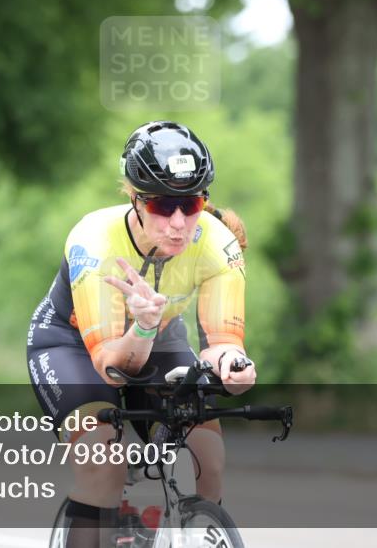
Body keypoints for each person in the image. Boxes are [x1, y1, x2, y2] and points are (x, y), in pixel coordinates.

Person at [26, 120, 256, 547]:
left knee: (209, 460)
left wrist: (233, 366)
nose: (177, 222)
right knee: (104, 466)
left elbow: (222, 342)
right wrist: (144, 324)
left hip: (161, 339)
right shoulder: (96, 240)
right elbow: (113, 366)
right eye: (162, 206)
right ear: (134, 199)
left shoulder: (218, 242)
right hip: (74, 346)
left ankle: (186, 529)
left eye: (190, 205)